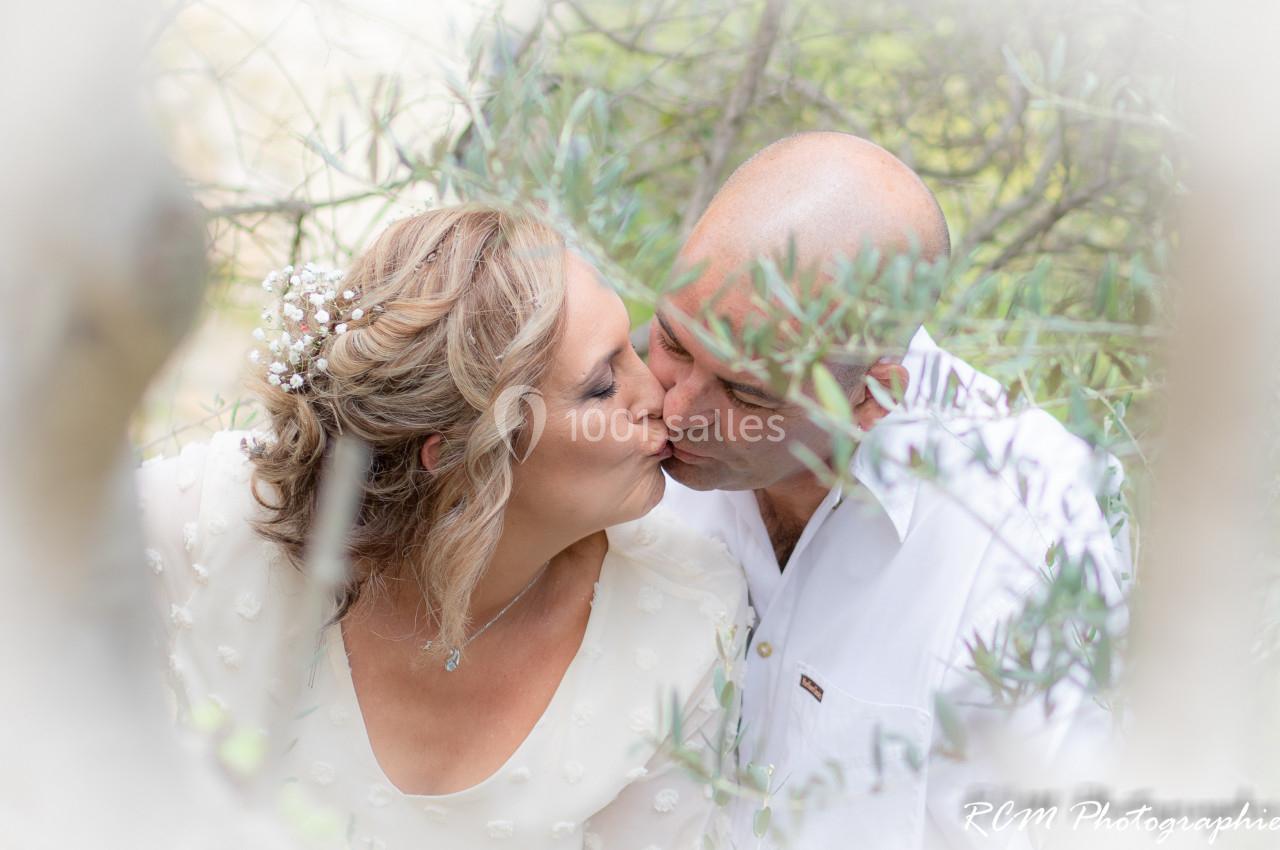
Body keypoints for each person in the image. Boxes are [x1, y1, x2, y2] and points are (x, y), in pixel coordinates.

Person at [137, 205, 750, 850]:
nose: (660, 399)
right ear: (458, 454)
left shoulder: (685, 616)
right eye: (602, 387)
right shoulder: (213, 518)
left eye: (635, 348)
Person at [651, 132, 1127, 848]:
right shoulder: (606, 412)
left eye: (746, 393)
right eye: (674, 343)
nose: (678, 410)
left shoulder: (1027, 530)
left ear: (873, 395)